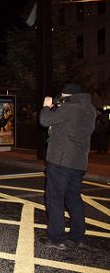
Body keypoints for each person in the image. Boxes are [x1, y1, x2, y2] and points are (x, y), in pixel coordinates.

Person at [39, 83, 96, 250]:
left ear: (67, 95)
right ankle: (77, 237)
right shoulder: (90, 109)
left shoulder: (70, 107)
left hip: (61, 161)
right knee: (74, 198)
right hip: (79, 163)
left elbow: (44, 120)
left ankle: (57, 238)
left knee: (55, 198)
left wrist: (46, 106)